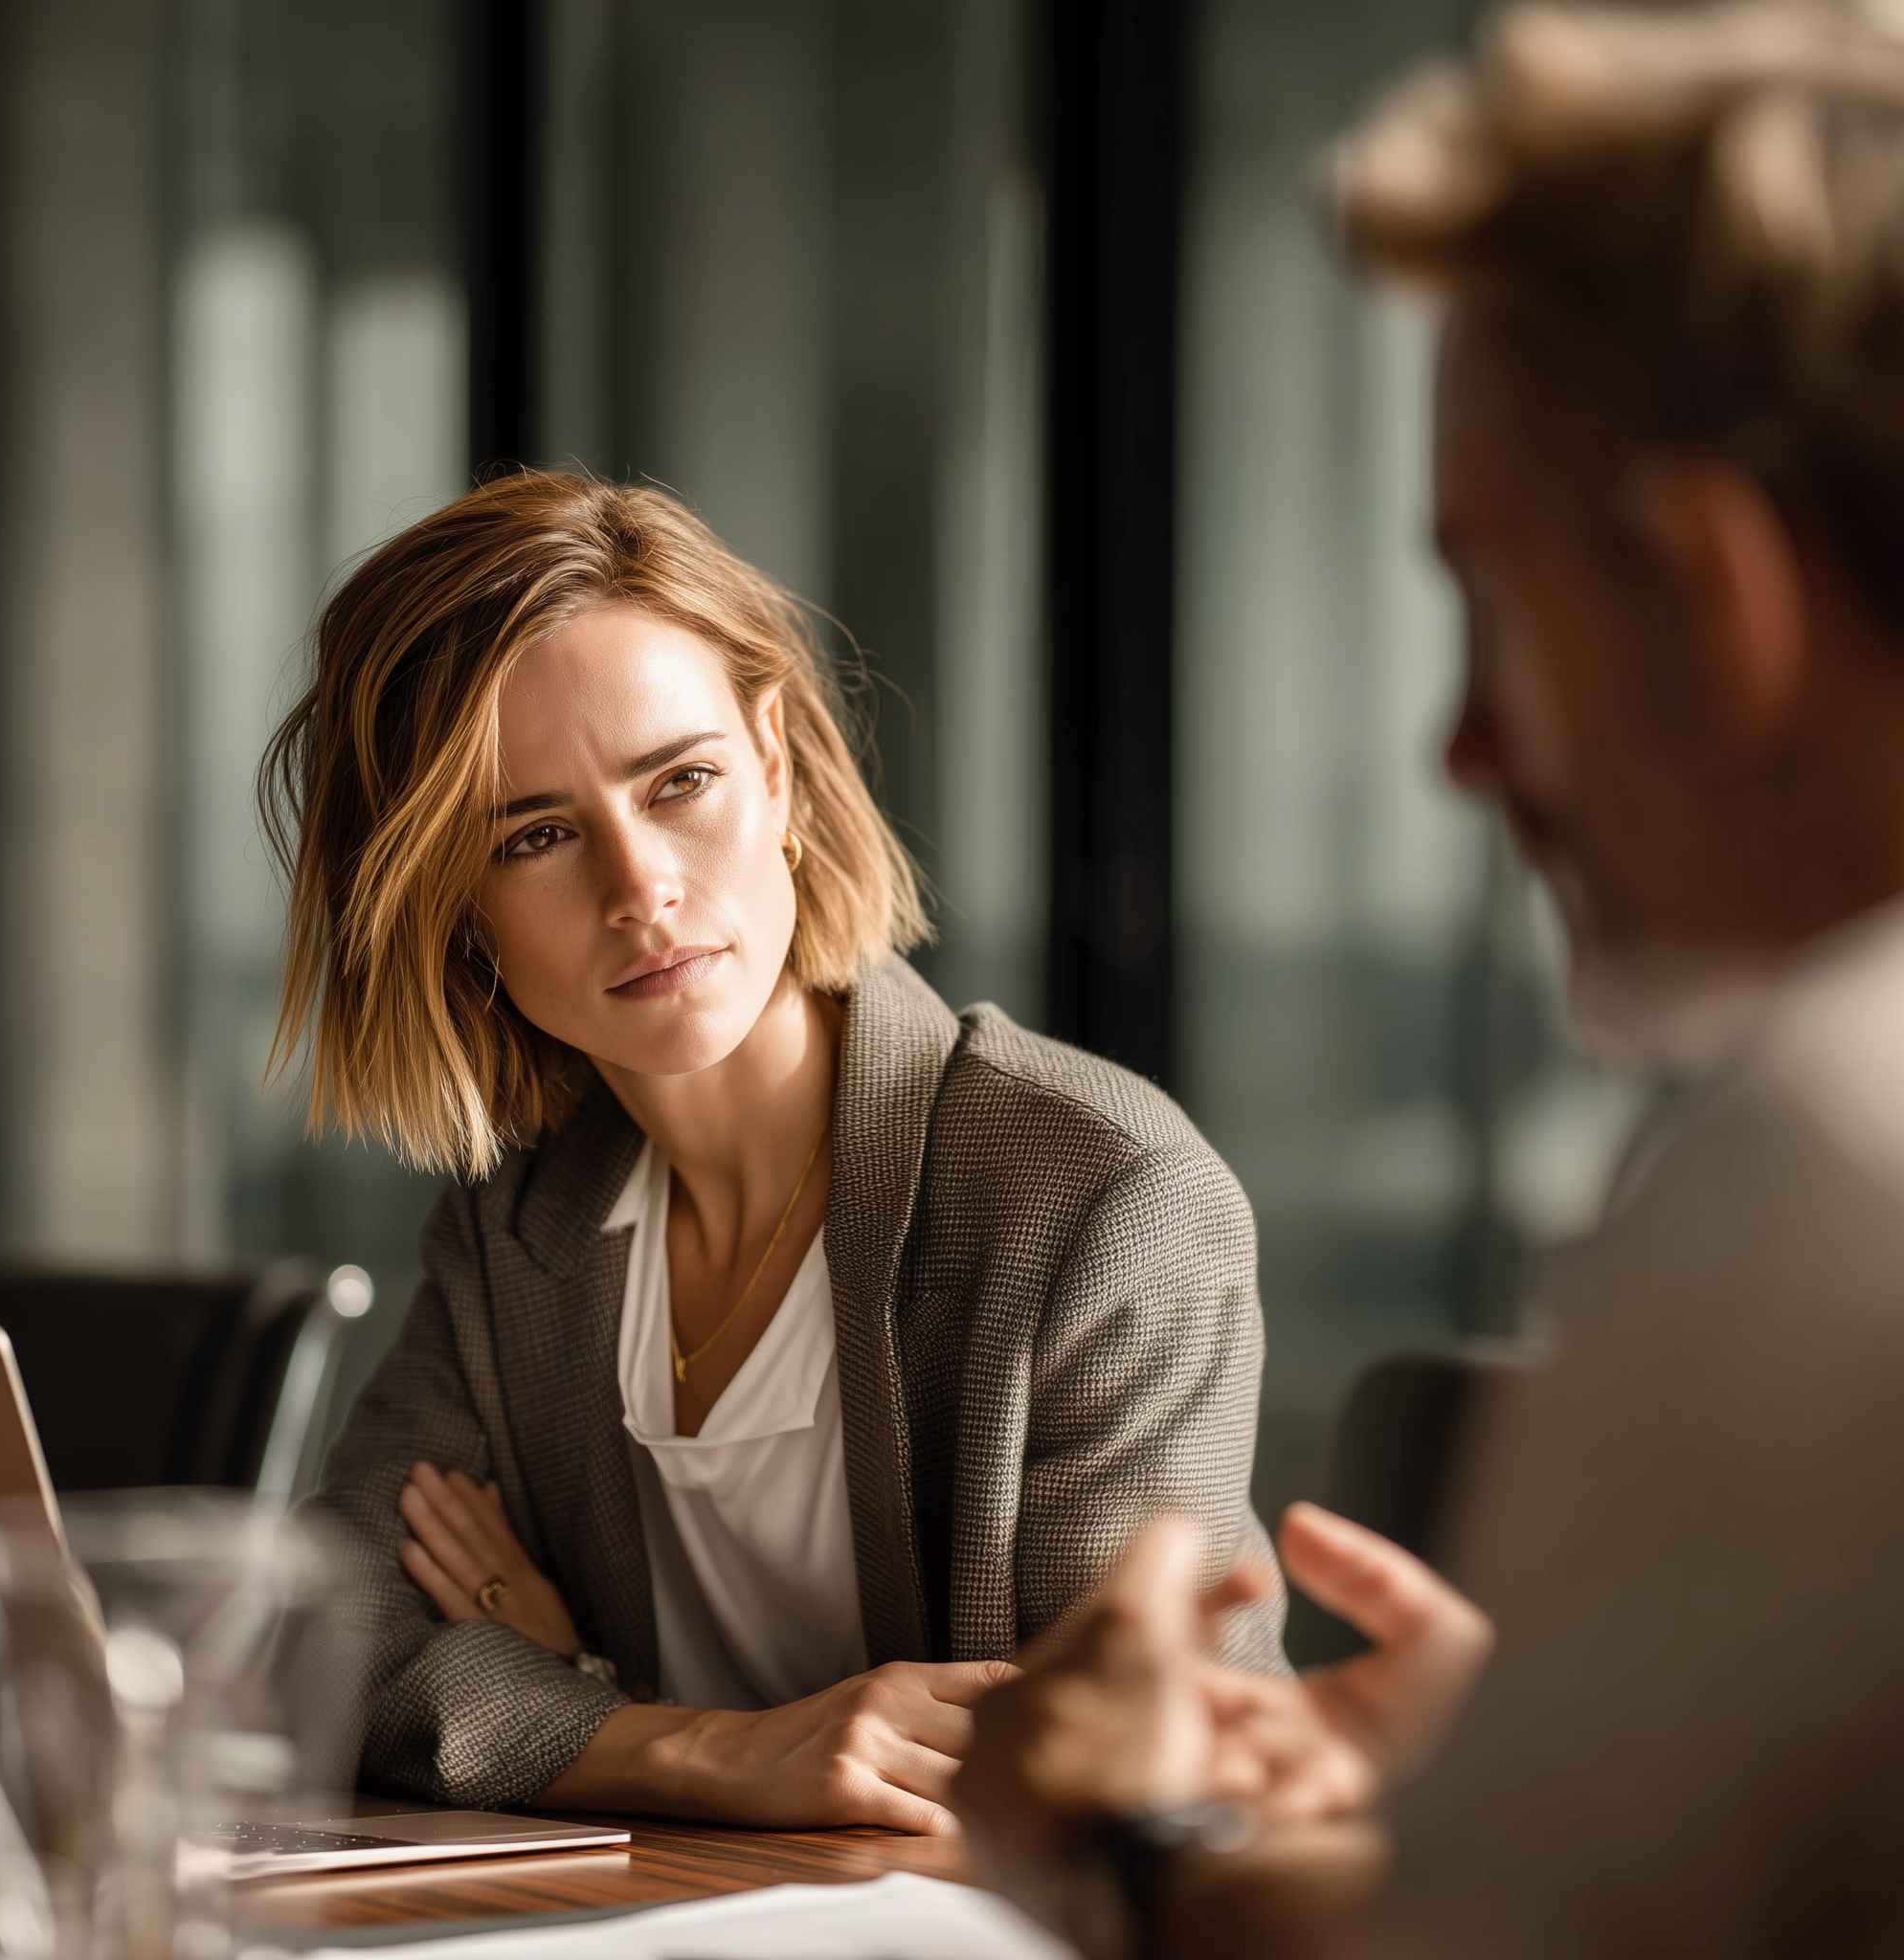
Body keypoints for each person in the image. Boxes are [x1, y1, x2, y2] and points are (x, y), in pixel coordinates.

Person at [952, 0, 1904, 1949]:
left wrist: (1114, 1849)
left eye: (1489, 596)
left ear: (1714, 595)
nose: (1458, 750)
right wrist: (1539, 1764)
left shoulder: (1823, 1176)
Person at [259, 470, 1288, 1833]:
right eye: (539, 836)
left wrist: (555, 1680)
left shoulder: (1099, 1196)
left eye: (680, 782)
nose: (642, 892)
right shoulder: (520, 1220)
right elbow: (334, 1649)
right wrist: (689, 1745)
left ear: (781, 769)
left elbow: (1106, 1777)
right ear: (459, 917)